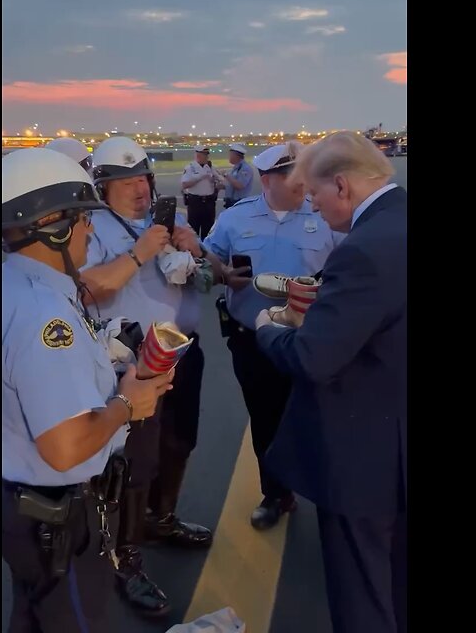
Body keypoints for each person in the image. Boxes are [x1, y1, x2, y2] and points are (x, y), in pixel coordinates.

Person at [1, 148, 177, 633]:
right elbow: (64, 446)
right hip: (57, 516)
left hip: (21, 509)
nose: (90, 230)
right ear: (52, 225)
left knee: (33, 614)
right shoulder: (44, 315)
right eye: (82, 220)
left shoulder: (16, 285)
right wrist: (127, 405)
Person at [252, 131, 407, 633]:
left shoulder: (363, 251)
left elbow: (314, 358)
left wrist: (270, 331)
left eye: (315, 197)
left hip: (367, 459)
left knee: (362, 592)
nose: (314, 209)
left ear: (341, 185)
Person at [79, 137, 214, 618]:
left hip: (181, 351)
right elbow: (84, 289)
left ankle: (162, 519)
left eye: (144, 179)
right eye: (126, 181)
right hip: (131, 365)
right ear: (103, 186)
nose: (139, 189)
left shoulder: (167, 223)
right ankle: (125, 559)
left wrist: (193, 247)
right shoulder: (90, 229)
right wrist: (137, 254)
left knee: (180, 443)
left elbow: (205, 277)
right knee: (132, 467)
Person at [199, 142, 342, 530]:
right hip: (253, 340)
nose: (303, 184)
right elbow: (206, 263)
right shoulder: (234, 220)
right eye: (293, 176)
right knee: (265, 420)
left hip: (310, 341)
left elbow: (350, 270)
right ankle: (276, 494)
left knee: (320, 420)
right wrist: (222, 274)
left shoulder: (325, 216)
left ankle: (329, 496)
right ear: (267, 180)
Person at [180, 145, 224, 238]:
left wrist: (217, 182)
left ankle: (206, 249)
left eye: (207, 155)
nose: (207, 157)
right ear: (198, 155)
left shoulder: (211, 167)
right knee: (193, 229)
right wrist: (200, 177)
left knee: (208, 230)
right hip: (195, 202)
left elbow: (222, 181)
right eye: (204, 155)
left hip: (209, 202)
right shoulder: (190, 168)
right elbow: (185, 185)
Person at [219, 142, 259, 209]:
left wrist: (226, 175)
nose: (229, 157)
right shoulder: (236, 168)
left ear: (236, 155)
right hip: (231, 202)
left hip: (239, 203)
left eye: (230, 155)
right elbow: (232, 184)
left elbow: (240, 186)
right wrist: (222, 186)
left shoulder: (245, 169)